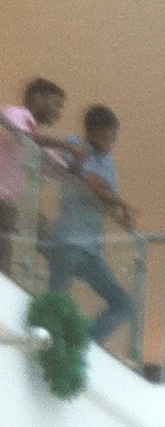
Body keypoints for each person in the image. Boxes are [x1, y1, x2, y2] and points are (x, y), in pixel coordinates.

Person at [43, 103, 137, 353]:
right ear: (91, 133)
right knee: (58, 298)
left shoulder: (109, 163)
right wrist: (120, 202)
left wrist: (122, 214)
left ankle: (82, 346)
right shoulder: (75, 144)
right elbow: (91, 184)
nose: (110, 142)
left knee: (124, 305)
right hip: (68, 239)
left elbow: (106, 194)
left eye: (113, 137)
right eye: (106, 137)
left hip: (92, 247)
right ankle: (51, 344)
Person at [0, 77, 66, 282]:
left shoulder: (34, 134)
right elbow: (24, 136)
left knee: (4, 266)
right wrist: (68, 147)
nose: (58, 113)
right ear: (37, 98)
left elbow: (56, 168)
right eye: (56, 105)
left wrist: (76, 166)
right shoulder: (14, 114)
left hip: (6, 207)